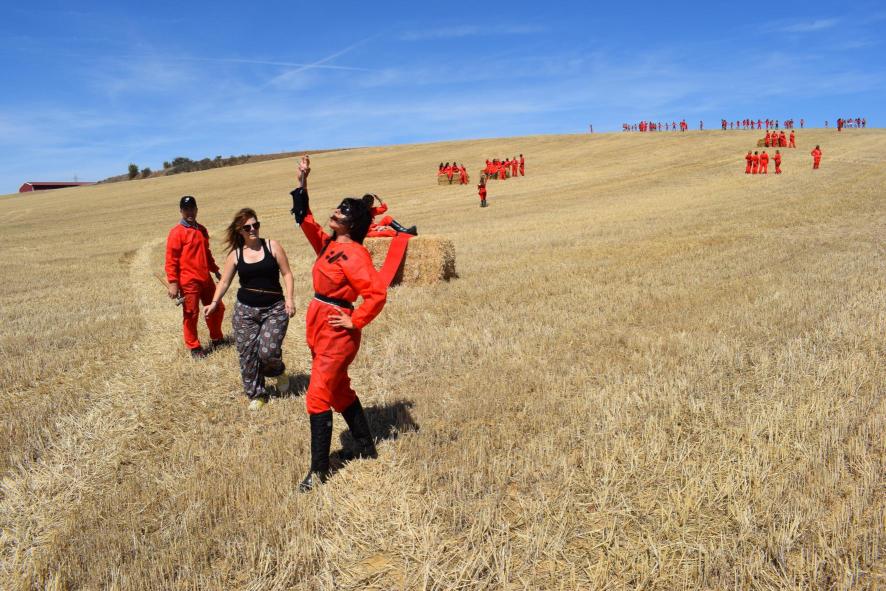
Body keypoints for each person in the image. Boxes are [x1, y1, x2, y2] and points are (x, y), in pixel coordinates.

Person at [289, 155, 387, 492]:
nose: (336, 212)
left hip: (337, 331)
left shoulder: (356, 254)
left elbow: (376, 294)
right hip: (319, 324)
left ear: (353, 223)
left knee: (317, 396)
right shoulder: (328, 244)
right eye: (338, 207)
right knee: (339, 390)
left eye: (343, 211)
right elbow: (305, 219)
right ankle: (365, 446)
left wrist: (355, 319)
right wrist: (303, 181)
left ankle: (318, 471)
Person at [204, 209, 295, 410]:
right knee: (247, 354)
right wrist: (214, 302)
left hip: (274, 309)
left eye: (256, 225)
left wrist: (289, 299)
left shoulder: (272, 246)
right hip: (245, 312)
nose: (253, 229)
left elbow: (287, 274)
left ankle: (278, 370)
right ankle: (257, 394)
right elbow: (224, 281)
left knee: (268, 351)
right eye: (247, 227)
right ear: (240, 231)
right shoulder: (236, 255)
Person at [165, 195, 225, 359]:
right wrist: (173, 283)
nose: (190, 212)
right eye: (186, 209)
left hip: (206, 278)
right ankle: (194, 346)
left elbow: (207, 253)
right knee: (191, 314)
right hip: (189, 282)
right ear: (181, 211)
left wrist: (215, 270)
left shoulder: (202, 230)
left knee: (217, 307)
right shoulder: (176, 233)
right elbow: (171, 260)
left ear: (197, 209)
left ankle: (217, 338)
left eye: (192, 208)